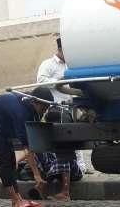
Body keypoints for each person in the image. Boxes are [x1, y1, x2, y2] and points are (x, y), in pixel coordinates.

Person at [0, 87, 54, 207]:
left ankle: (18, 198)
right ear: (35, 102)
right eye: (44, 107)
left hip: (5, 122)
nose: (45, 111)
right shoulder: (21, 113)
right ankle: (15, 200)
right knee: (4, 159)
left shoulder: (32, 108)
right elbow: (28, 148)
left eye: (47, 108)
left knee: (11, 161)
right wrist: (36, 175)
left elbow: (34, 143)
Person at [37, 37, 89, 176]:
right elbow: (41, 81)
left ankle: (81, 167)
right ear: (60, 50)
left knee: (75, 137)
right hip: (56, 109)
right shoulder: (48, 64)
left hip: (72, 107)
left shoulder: (70, 65)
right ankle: (63, 171)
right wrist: (59, 82)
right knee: (62, 143)